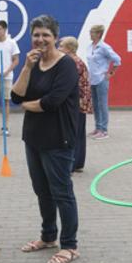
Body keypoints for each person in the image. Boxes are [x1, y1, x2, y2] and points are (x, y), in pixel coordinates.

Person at [13, 14, 81, 263]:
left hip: (58, 139)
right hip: (33, 138)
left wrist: (28, 105)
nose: (40, 40)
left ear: (55, 37)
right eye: (36, 35)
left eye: (46, 35)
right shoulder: (34, 63)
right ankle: (48, 236)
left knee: (62, 193)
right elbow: (15, 96)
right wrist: (27, 67)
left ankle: (70, 245)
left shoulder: (66, 65)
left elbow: (52, 102)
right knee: (42, 191)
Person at [57, 35, 93, 172]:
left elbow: (68, 84)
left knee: (73, 132)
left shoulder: (72, 62)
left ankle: (72, 162)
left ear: (69, 48)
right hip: (80, 102)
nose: (58, 48)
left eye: (61, 46)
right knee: (78, 132)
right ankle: (77, 162)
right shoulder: (76, 61)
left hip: (75, 103)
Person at [85, 24, 121, 139]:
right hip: (92, 79)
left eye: (92, 32)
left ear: (99, 34)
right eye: (90, 32)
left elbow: (117, 59)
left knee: (102, 104)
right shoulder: (90, 46)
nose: (90, 34)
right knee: (95, 105)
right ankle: (98, 128)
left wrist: (110, 73)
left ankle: (104, 131)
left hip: (101, 79)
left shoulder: (104, 47)